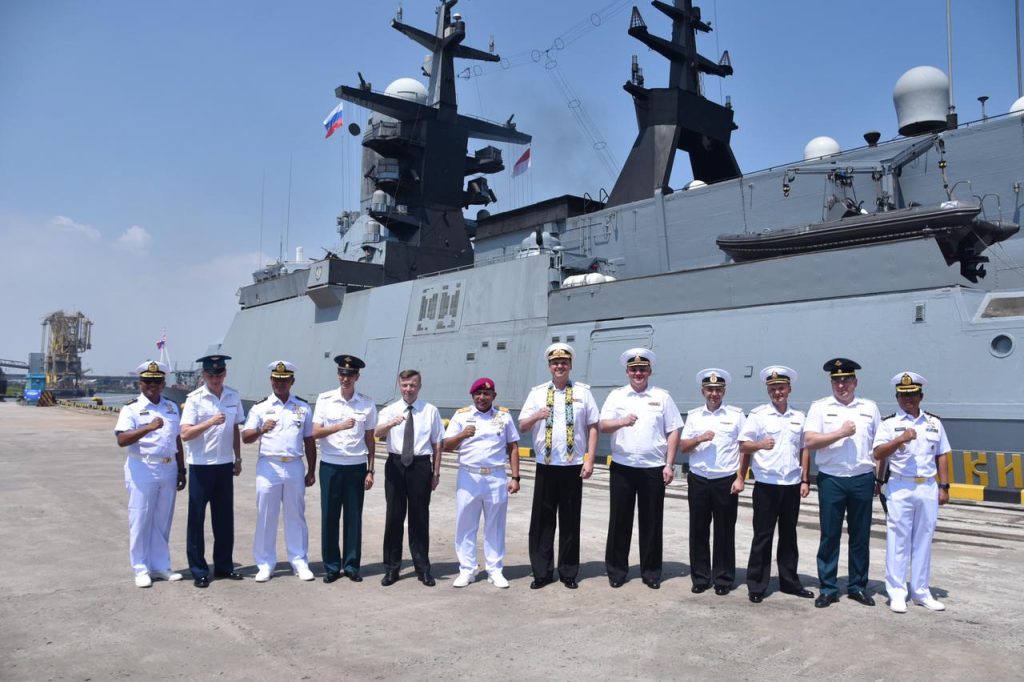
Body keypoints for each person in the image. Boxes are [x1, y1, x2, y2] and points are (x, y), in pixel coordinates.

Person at [598, 348, 682, 589]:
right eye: (634, 369)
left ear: (649, 371)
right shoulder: (617, 396)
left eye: (642, 369)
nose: (638, 373)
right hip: (623, 467)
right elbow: (603, 425)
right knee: (619, 521)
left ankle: (651, 573)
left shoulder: (662, 397)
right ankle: (616, 571)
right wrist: (621, 421)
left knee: (652, 522)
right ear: (627, 371)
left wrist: (669, 464)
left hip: (652, 468)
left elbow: (674, 430)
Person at [519, 343, 599, 590]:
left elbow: (593, 427)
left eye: (564, 362)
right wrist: (537, 415)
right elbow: (522, 426)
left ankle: (568, 572)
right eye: (555, 363)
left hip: (573, 466)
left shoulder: (583, 393)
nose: (559, 366)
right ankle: (542, 572)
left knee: (570, 521)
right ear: (549, 366)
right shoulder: (537, 393)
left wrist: (590, 459)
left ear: (570, 365)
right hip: (546, 465)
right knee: (542, 522)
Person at [803, 358, 881, 608]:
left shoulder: (869, 408)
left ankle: (858, 586)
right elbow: (810, 441)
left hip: (862, 478)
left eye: (846, 380)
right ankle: (828, 588)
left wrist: (879, 478)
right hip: (832, 480)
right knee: (830, 535)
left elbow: (879, 446)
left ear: (855, 382)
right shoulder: (819, 407)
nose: (841, 385)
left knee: (860, 536)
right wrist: (840, 433)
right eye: (836, 380)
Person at [872, 371, 951, 613]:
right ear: (897, 397)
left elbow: (942, 455)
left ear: (921, 396)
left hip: (927, 486)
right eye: (903, 395)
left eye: (913, 394)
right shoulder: (888, 424)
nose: (908, 398)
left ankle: (921, 592)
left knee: (923, 540)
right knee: (898, 541)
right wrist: (899, 440)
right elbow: (878, 453)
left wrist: (944, 486)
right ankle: (897, 593)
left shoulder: (934, 423)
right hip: (900, 486)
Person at [735, 366, 814, 603]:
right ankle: (757, 584)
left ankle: (789, 582)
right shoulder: (758, 415)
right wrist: (759, 445)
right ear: (768, 391)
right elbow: (743, 445)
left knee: (789, 536)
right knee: (763, 536)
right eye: (773, 389)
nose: (777, 392)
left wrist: (805, 479)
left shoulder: (799, 417)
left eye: (781, 388)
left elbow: (804, 449)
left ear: (789, 389)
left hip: (791, 484)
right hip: (766, 485)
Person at [241, 360, 316, 582]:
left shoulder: (302, 407)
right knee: (266, 515)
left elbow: (309, 440)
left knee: (296, 515)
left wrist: (311, 470)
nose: (280, 384)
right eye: (276, 380)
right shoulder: (260, 407)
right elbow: (246, 437)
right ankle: (265, 563)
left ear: (292, 381)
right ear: (271, 380)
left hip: (294, 464)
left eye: (284, 380)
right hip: (269, 465)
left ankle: (299, 561)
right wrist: (260, 429)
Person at [114, 360, 185, 588]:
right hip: (143, 467)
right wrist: (147, 427)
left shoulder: (171, 407)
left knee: (162, 519)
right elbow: (122, 439)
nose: (152, 385)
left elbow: (176, 439)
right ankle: (141, 568)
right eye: (148, 381)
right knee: (141, 518)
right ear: (140, 383)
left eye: (157, 381)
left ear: (163, 383)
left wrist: (181, 468)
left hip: (168, 467)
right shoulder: (131, 408)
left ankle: (160, 565)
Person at [443, 378, 521, 588]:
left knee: (495, 525)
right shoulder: (461, 416)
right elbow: (446, 446)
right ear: (472, 396)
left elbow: (513, 447)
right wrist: (462, 434)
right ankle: (467, 569)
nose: (482, 397)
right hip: (469, 476)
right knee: (466, 524)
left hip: (496, 476)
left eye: (486, 394)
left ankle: (495, 570)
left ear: (494, 396)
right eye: (478, 394)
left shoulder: (504, 416)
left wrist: (515, 477)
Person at [180, 354, 245, 588]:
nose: (215, 379)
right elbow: (185, 434)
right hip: (201, 465)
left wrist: (238, 458)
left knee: (224, 519)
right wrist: (210, 422)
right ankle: (199, 570)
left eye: (219, 375)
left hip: (224, 465)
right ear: (203, 375)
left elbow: (235, 428)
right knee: (197, 519)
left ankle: (224, 566)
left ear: (224, 374)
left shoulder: (233, 396)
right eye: (210, 375)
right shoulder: (194, 399)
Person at [312, 354, 378, 584]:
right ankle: (331, 566)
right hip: (330, 466)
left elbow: (370, 439)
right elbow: (315, 432)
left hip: (355, 467)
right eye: (342, 373)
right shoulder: (325, 400)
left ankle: (351, 566)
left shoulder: (367, 403)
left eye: (350, 374)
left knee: (353, 518)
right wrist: (339, 426)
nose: (345, 378)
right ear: (337, 374)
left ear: (357, 376)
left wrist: (371, 470)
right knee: (329, 517)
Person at [679, 368, 745, 596]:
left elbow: (743, 448)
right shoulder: (694, 416)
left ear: (723, 391)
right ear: (703, 391)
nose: (714, 394)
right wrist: (700, 438)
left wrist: (741, 477)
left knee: (724, 531)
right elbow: (683, 446)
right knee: (698, 529)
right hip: (699, 479)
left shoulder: (736, 415)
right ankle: (700, 577)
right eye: (710, 389)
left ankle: (723, 579)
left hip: (725, 480)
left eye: (718, 390)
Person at [375, 369, 444, 587]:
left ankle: (423, 569)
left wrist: (436, 472)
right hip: (396, 465)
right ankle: (391, 568)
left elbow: (437, 444)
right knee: (393, 518)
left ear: (419, 386)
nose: (408, 389)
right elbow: (377, 432)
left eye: (412, 385)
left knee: (419, 518)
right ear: (399, 385)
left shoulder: (430, 411)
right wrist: (390, 424)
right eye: (404, 385)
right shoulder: (390, 410)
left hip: (421, 466)